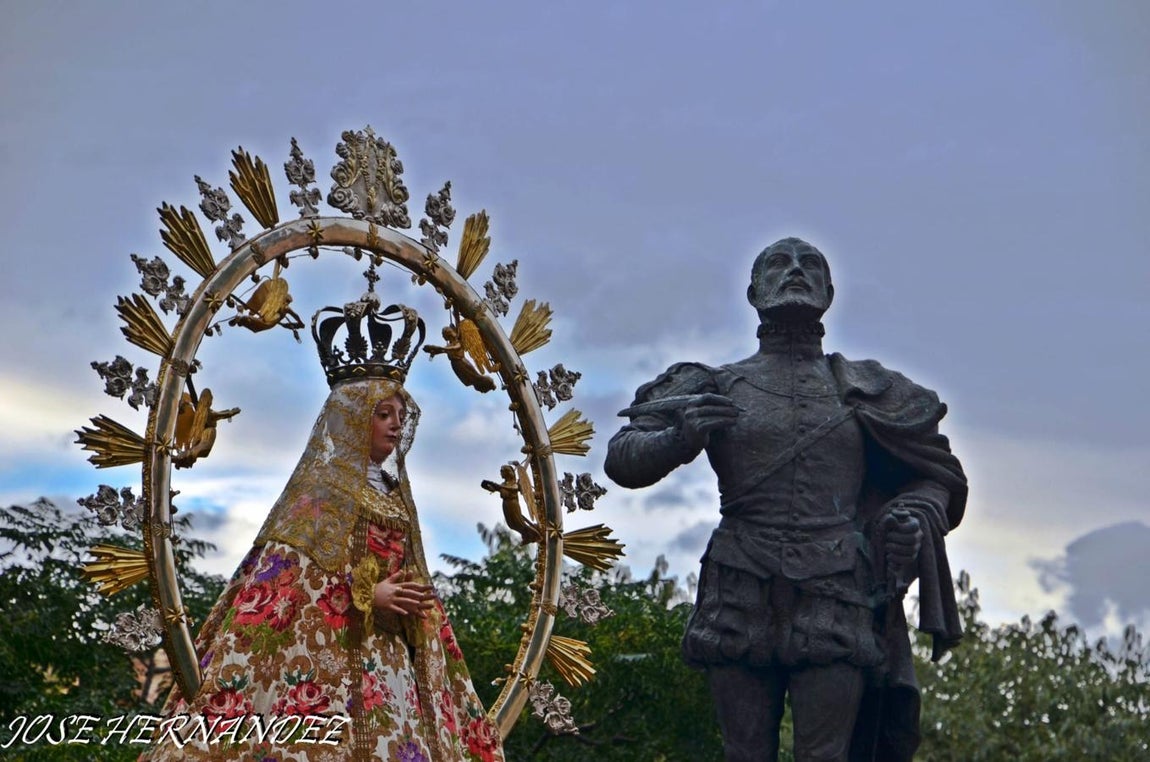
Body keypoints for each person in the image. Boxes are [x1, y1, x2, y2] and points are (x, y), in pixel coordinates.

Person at [604, 238, 967, 762]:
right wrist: (678, 439)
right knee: (745, 753)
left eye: (810, 264)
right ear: (753, 291)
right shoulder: (714, 384)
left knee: (826, 756)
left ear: (829, 292)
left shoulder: (868, 389)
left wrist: (913, 513)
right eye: (779, 262)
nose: (795, 270)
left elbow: (939, 477)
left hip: (837, 587)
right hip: (739, 584)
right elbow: (622, 457)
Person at [146, 375, 504, 762]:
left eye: (400, 415)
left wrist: (414, 607)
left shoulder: (398, 498)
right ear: (349, 420)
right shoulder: (321, 492)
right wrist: (367, 594)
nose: (396, 424)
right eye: (383, 414)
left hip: (392, 662)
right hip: (330, 654)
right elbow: (289, 575)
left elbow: (411, 574)